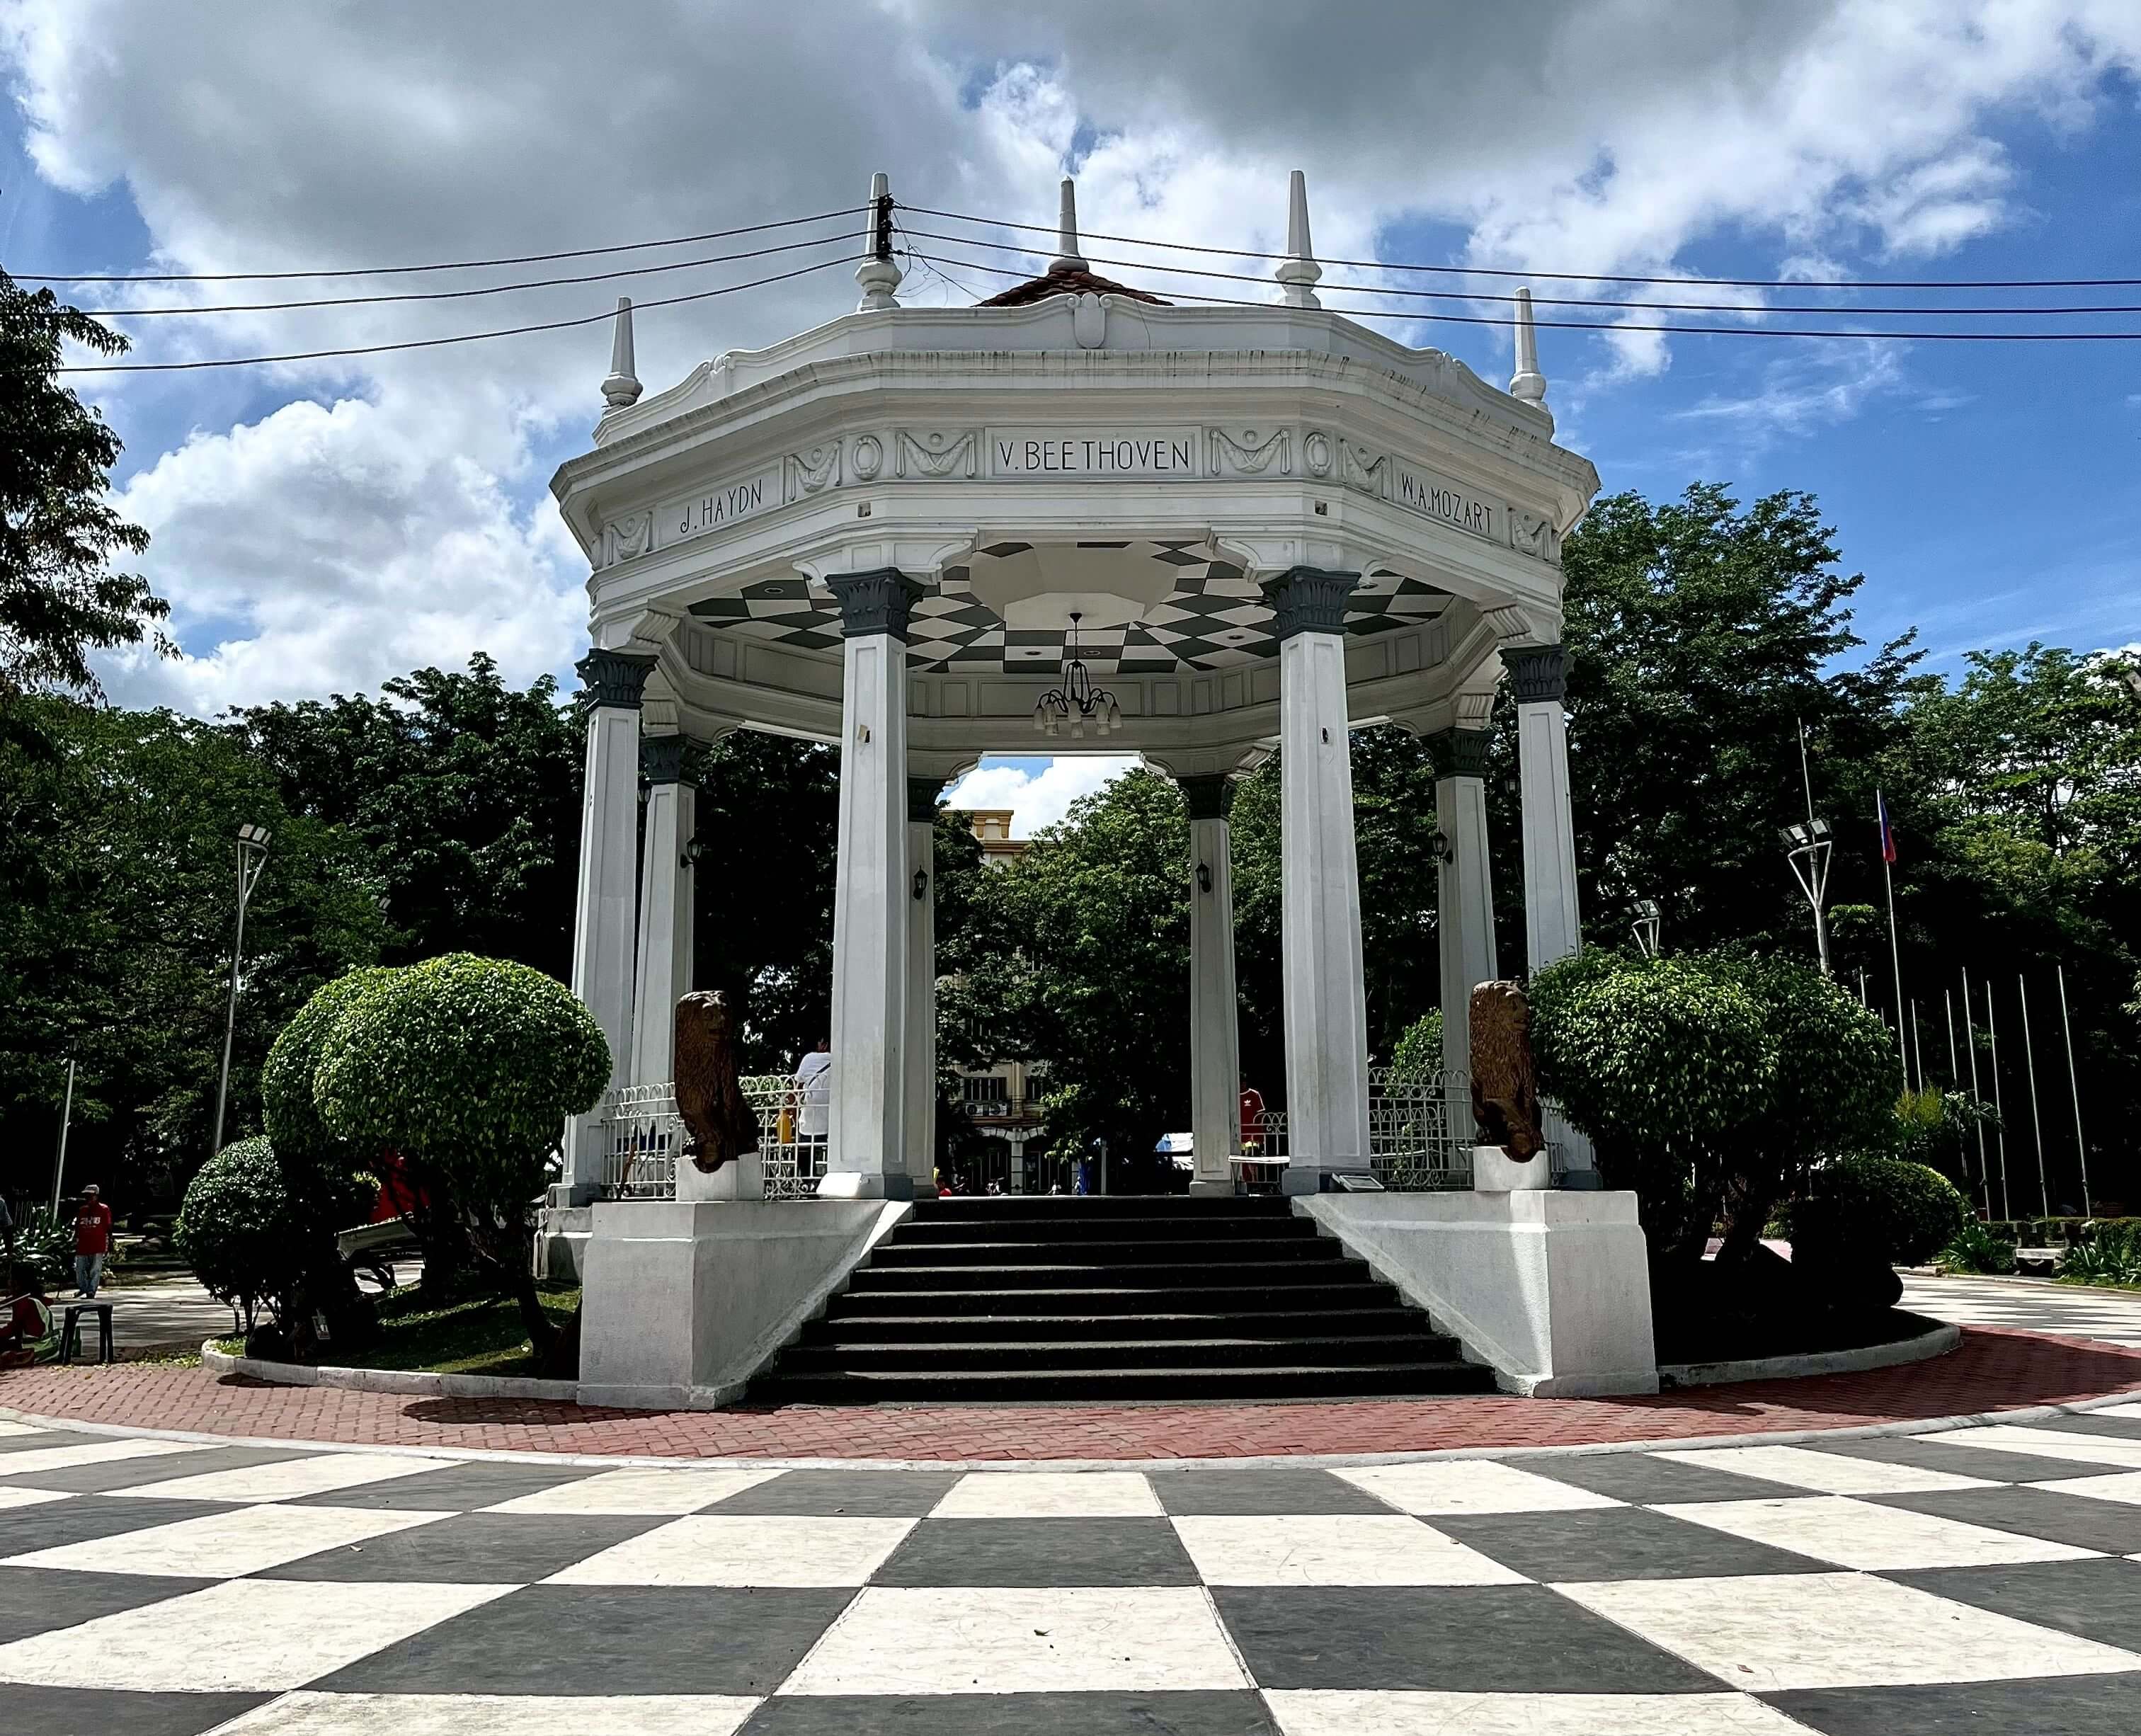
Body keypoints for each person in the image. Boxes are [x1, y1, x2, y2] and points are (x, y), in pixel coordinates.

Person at [1, 1268, 54, 1369]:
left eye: (10, 1281)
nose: (8, 1285)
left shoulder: (25, 1302)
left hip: (36, 1348)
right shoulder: (34, 1298)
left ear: (16, 1284)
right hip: (46, 1346)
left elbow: (13, 1329)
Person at [72, 1184, 113, 1298]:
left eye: (91, 1196)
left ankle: (91, 1291)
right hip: (83, 1245)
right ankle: (83, 1288)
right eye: (86, 1196)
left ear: (96, 1196)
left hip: (97, 1244)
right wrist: (74, 1241)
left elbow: (109, 1227)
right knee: (80, 1269)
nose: (88, 1198)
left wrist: (110, 1242)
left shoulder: (104, 1209)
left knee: (95, 1269)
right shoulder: (82, 1210)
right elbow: (77, 1228)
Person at [793, 1038, 833, 1148]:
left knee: (804, 1157)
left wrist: (794, 1117)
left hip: (810, 1124)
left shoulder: (810, 1058)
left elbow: (796, 1091)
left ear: (824, 1045)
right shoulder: (843, 1060)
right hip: (835, 1125)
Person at [1238, 1076, 1266, 1147]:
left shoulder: (1254, 1094)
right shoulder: (1234, 1095)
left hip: (1252, 1135)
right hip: (1238, 1134)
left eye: (1243, 1083)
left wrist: (1258, 1130)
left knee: (1251, 1153)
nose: (1242, 1085)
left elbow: (1260, 1113)